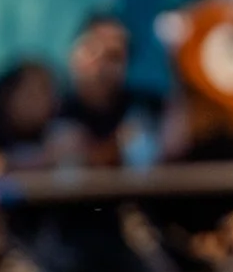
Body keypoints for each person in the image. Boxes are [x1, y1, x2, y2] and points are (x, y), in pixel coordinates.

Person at [53, 11, 161, 167]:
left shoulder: (148, 108)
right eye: (94, 51)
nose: (102, 65)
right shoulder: (52, 111)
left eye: (114, 56)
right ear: (74, 54)